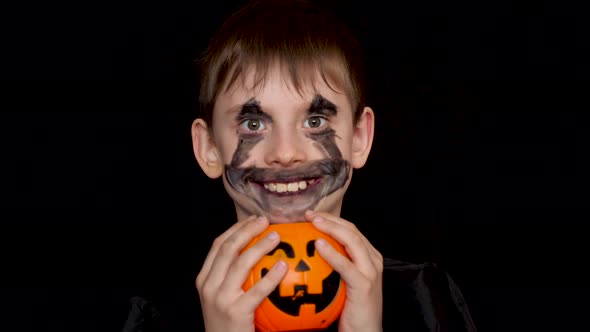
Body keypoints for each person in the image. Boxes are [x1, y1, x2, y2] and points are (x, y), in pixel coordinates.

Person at [122, 0, 477, 331]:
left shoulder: (425, 301)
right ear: (209, 148)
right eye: (254, 124)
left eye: (316, 121)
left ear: (359, 139)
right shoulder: (157, 316)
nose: (286, 152)